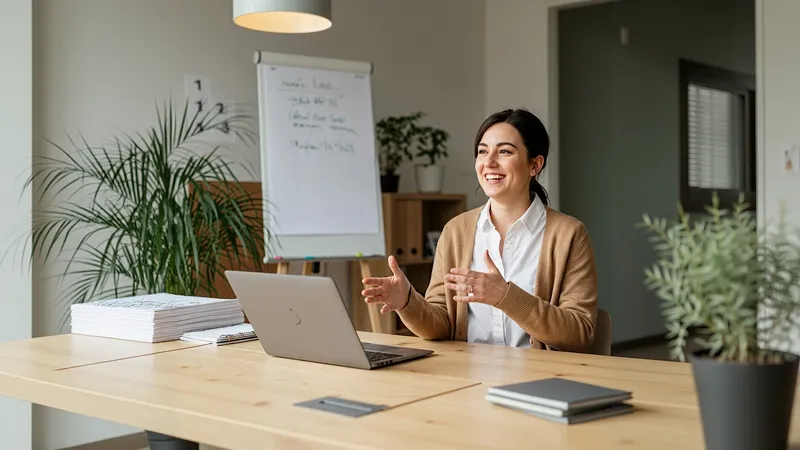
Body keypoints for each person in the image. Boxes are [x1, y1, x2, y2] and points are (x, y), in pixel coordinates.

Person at [361, 108, 598, 352]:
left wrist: (506, 297)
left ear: (535, 165)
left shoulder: (569, 235)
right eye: (482, 152)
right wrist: (407, 302)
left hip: (540, 379)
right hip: (468, 375)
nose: (489, 162)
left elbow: (580, 332)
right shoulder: (455, 231)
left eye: (504, 151)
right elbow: (441, 323)